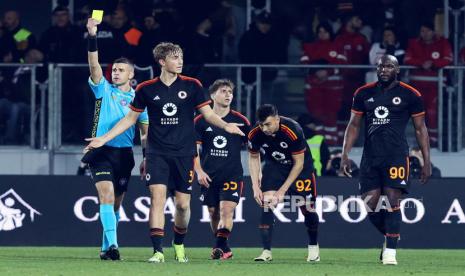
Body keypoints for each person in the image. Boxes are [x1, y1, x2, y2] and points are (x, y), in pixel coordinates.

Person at [84, 42, 244, 263]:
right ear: (162, 61)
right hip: (158, 153)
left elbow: (207, 114)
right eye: (175, 57)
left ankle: (178, 243)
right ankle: (157, 251)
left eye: (181, 57)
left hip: (184, 154)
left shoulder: (192, 85)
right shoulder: (146, 89)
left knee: (182, 205)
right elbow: (130, 120)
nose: (180, 61)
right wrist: (103, 138)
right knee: (157, 200)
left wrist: (226, 126)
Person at [340, 55, 431, 265]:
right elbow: (353, 125)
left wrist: (427, 161)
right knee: (370, 205)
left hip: (396, 156)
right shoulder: (363, 93)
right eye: (381, 66)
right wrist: (345, 154)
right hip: (370, 157)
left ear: (397, 70)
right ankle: (391, 235)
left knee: (392, 201)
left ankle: (390, 252)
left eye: (389, 66)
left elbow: (421, 129)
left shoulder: (411, 95)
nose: (383, 69)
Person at [83, 18, 149, 261]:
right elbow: (94, 65)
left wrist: (146, 159)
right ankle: (113, 246)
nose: (116, 73)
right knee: (107, 196)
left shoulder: (139, 99)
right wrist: (92, 35)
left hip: (124, 155)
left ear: (131, 74)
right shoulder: (103, 89)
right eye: (114, 70)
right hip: (101, 152)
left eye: (121, 70)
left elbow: (144, 133)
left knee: (116, 205)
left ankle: (105, 247)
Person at [248, 104, 320, 262]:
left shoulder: (293, 130)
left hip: (301, 168)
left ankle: (313, 248)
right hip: (275, 166)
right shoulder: (255, 133)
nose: (264, 128)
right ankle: (266, 252)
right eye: (261, 125)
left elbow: (298, 163)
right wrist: (254, 186)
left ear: (277, 119)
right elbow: (253, 157)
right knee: (267, 202)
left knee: (307, 208)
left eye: (268, 124)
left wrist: (282, 191)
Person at [194, 79, 250, 260]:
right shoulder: (200, 120)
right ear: (212, 96)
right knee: (213, 212)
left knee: (227, 210)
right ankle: (223, 247)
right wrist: (199, 171)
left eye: (230, 92)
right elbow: (193, 150)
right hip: (209, 175)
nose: (228, 95)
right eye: (223, 91)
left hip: (232, 174)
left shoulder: (240, 121)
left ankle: (218, 247)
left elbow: (253, 148)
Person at [404, 22, 452, 147]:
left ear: (433, 31)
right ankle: (418, 141)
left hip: (435, 86)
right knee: (417, 114)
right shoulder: (414, 43)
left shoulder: (442, 43)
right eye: (422, 31)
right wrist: (421, 63)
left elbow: (448, 59)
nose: (425, 34)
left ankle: (434, 141)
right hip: (416, 86)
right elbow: (407, 59)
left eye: (427, 31)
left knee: (432, 113)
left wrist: (433, 63)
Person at [301, 22, 346, 145]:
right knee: (317, 117)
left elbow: (343, 64)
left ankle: (331, 144)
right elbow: (304, 64)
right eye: (320, 32)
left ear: (329, 32)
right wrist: (315, 72)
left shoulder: (337, 46)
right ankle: (319, 144)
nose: (322, 34)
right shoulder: (310, 47)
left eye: (325, 32)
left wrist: (328, 72)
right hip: (314, 88)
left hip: (333, 89)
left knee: (331, 117)